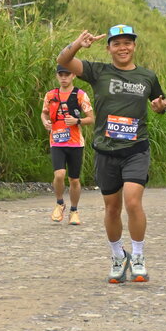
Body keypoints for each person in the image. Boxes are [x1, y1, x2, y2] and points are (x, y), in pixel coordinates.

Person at [56, 25, 166, 283]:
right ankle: (118, 256)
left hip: (136, 149)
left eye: (127, 42)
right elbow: (63, 61)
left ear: (134, 46)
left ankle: (138, 256)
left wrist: (160, 107)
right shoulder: (98, 72)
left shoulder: (147, 76)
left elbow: (160, 103)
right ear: (108, 48)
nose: (122, 48)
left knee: (132, 202)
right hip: (106, 150)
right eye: (116, 44)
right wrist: (78, 44)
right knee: (112, 208)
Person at [41, 64, 94, 224]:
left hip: (75, 143)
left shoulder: (80, 95)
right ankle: (59, 203)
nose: (64, 78)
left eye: (67, 74)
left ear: (73, 75)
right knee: (59, 174)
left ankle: (74, 210)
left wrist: (77, 121)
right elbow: (44, 113)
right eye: (61, 75)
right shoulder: (50, 95)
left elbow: (91, 118)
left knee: (74, 180)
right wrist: (45, 122)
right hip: (57, 141)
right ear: (57, 76)